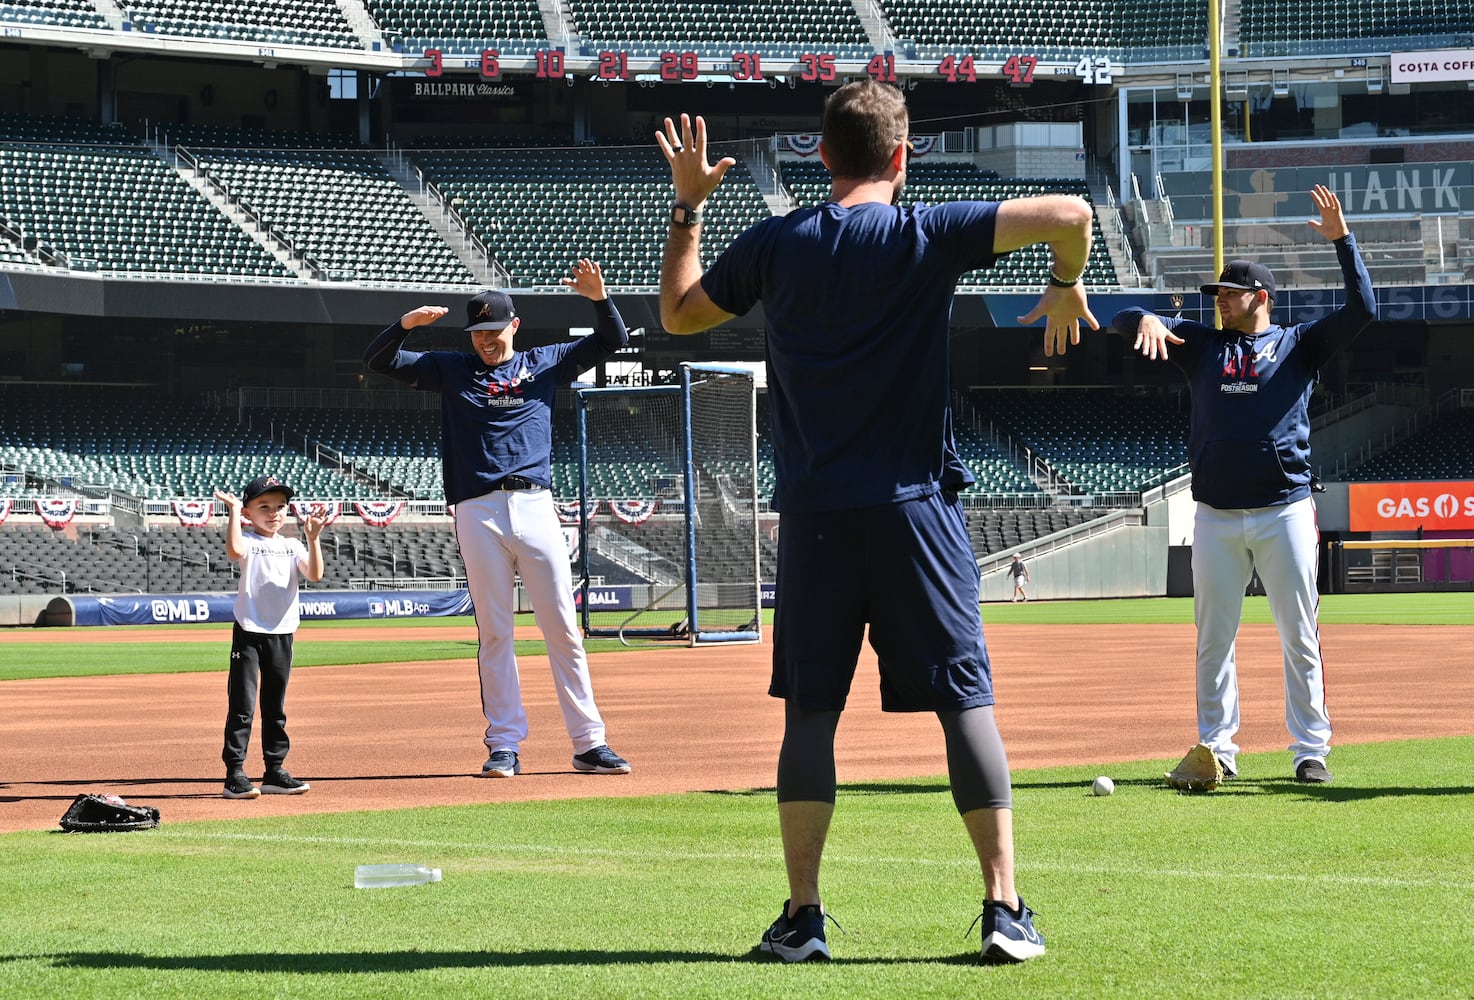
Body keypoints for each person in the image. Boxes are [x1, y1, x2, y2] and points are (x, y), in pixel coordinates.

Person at [657, 79, 1098, 963]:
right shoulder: (925, 230)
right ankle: (1004, 909)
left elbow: (677, 315)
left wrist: (687, 208)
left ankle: (803, 918)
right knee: (964, 704)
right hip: (916, 514)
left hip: (816, 517)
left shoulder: (778, 244)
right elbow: (1070, 210)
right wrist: (1063, 286)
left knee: (810, 716)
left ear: (820, 156)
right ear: (904, 157)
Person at [1111, 183, 1376, 785]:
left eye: (1228, 294)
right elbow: (1119, 321)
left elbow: (1364, 310)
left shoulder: (1299, 344)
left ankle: (1311, 751)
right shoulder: (1201, 345)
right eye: (1217, 295)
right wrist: (1146, 316)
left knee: (1299, 636)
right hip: (1216, 515)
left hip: (1284, 510)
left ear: (1260, 297)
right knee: (1213, 642)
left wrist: (1343, 243)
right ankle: (1216, 750)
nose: (1219, 302)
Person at [363, 259, 631, 780]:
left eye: (493, 329)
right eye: (478, 331)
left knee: (563, 629)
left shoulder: (546, 361)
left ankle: (589, 742)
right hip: (477, 507)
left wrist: (599, 299)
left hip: (535, 505)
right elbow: (378, 362)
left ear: (514, 325)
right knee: (495, 632)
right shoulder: (451, 368)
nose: (485, 339)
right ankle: (504, 744)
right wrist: (405, 326)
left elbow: (611, 340)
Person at [212, 475, 326, 799]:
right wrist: (233, 511)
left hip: (282, 633)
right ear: (249, 513)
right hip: (249, 632)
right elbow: (234, 550)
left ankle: (274, 771)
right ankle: (235, 773)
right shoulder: (249, 540)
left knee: (275, 706)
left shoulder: (291, 545)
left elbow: (315, 574)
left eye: (280, 506)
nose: (274, 512)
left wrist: (313, 539)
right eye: (264, 506)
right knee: (243, 705)